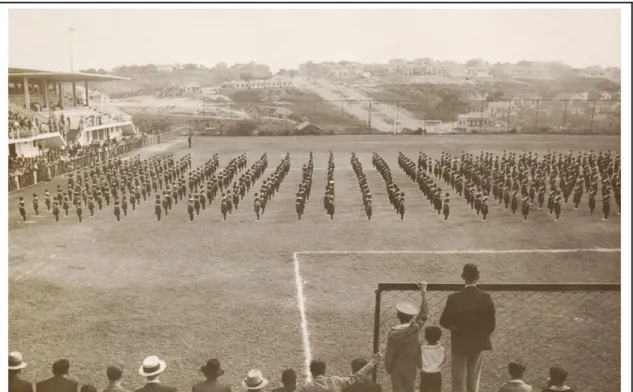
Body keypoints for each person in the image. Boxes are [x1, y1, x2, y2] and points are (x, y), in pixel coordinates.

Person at [439, 264, 495, 392]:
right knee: (473, 378)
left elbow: (444, 321)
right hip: (478, 342)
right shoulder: (486, 297)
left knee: (458, 380)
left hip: (459, 342)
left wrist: (456, 328)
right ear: (478, 277)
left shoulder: (454, 298)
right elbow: (491, 324)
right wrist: (481, 334)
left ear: (463, 277)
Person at [385, 282, 428, 392]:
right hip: (411, 366)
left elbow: (389, 355)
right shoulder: (415, 328)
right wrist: (423, 291)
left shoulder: (393, 335)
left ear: (398, 316)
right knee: (410, 388)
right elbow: (423, 314)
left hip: (397, 367)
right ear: (412, 318)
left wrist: (388, 367)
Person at [296, 353, 382, 392]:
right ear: (324, 370)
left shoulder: (306, 388)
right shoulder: (336, 381)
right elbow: (357, 376)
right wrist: (373, 361)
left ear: (311, 372)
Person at [419, 326, 445, 392]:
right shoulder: (441, 349)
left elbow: (419, 361)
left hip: (425, 374)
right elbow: (443, 361)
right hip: (437, 374)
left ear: (426, 336)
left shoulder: (422, 349)